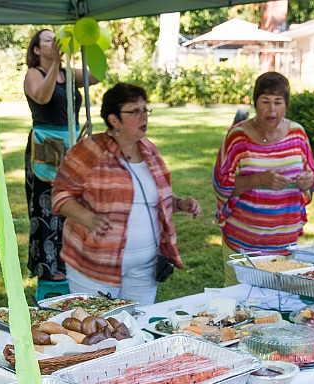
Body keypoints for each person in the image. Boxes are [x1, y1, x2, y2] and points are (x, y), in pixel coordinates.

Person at [51, 83, 201, 305]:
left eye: (145, 110)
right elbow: (60, 196)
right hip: (95, 265)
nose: (144, 117)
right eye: (135, 111)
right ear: (114, 120)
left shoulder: (149, 150)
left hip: (145, 266)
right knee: (97, 328)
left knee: (137, 328)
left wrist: (179, 203)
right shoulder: (89, 151)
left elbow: (152, 197)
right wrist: (89, 219)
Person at [213, 72, 314, 285]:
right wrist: (258, 179)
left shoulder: (297, 134)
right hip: (243, 240)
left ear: (286, 105)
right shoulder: (238, 136)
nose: (272, 109)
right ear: (255, 104)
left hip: (285, 243)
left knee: (278, 304)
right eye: (265, 101)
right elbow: (220, 185)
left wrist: (307, 182)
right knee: (240, 304)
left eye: (278, 102)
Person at [24, 29, 98, 282]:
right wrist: (55, 63)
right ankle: (45, 266)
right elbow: (42, 97)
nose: (54, 42)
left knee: (70, 202)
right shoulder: (35, 74)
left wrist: (90, 44)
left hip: (71, 145)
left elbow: (96, 76)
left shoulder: (68, 74)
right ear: (36, 50)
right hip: (46, 145)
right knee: (46, 204)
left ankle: (66, 261)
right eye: (48, 40)